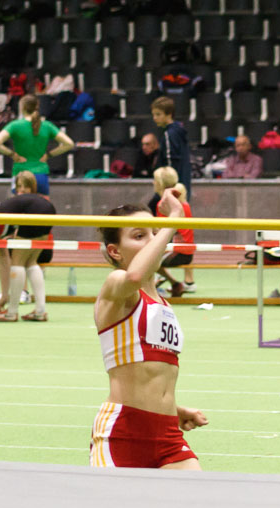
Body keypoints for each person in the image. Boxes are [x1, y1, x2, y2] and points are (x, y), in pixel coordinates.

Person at [92, 189, 207, 469]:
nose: (153, 240)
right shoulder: (117, 285)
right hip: (123, 433)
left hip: (168, 434)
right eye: (139, 235)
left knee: (198, 507)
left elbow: (151, 370)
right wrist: (175, 218)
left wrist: (172, 410)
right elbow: (134, 275)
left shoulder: (163, 303)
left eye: (154, 233)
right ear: (115, 251)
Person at [0, 171, 55, 322]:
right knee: (31, 262)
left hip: (36, 213)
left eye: (25, 186)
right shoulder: (33, 200)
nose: (21, 190)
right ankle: (40, 310)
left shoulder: (4, 207)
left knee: (17, 262)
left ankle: (11, 312)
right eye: (19, 187)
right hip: (49, 210)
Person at [0, 94, 75, 196]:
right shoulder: (47, 125)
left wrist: (12, 155)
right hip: (41, 174)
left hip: (20, 175)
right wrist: (49, 155)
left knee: (18, 209)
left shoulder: (15, 125)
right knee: (42, 209)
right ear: (37, 107)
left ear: (22, 107)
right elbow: (69, 143)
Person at [151, 167, 196, 296]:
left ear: (159, 183)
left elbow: (161, 232)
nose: (153, 183)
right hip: (186, 251)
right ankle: (172, 282)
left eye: (154, 180)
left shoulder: (164, 204)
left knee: (147, 259)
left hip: (177, 252)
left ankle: (161, 285)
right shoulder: (183, 202)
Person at [151, 96, 192, 197]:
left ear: (169, 114)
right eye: (153, 115)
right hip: (182, 186)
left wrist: (167, 185)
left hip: (171, 188)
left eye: (158, 114)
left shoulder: (170, 134)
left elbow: (171, 161)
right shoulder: (178, 131)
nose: (154, 118)